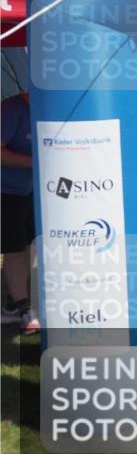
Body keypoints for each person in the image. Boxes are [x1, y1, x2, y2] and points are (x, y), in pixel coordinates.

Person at [0, 92, 40, 334]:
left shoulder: (46, 107)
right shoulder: (10, 109)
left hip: (29, 190)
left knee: (28, 247)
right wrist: (36, 161)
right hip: (5, 192)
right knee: (15, 250)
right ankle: (24, 309)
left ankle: (12, 305)